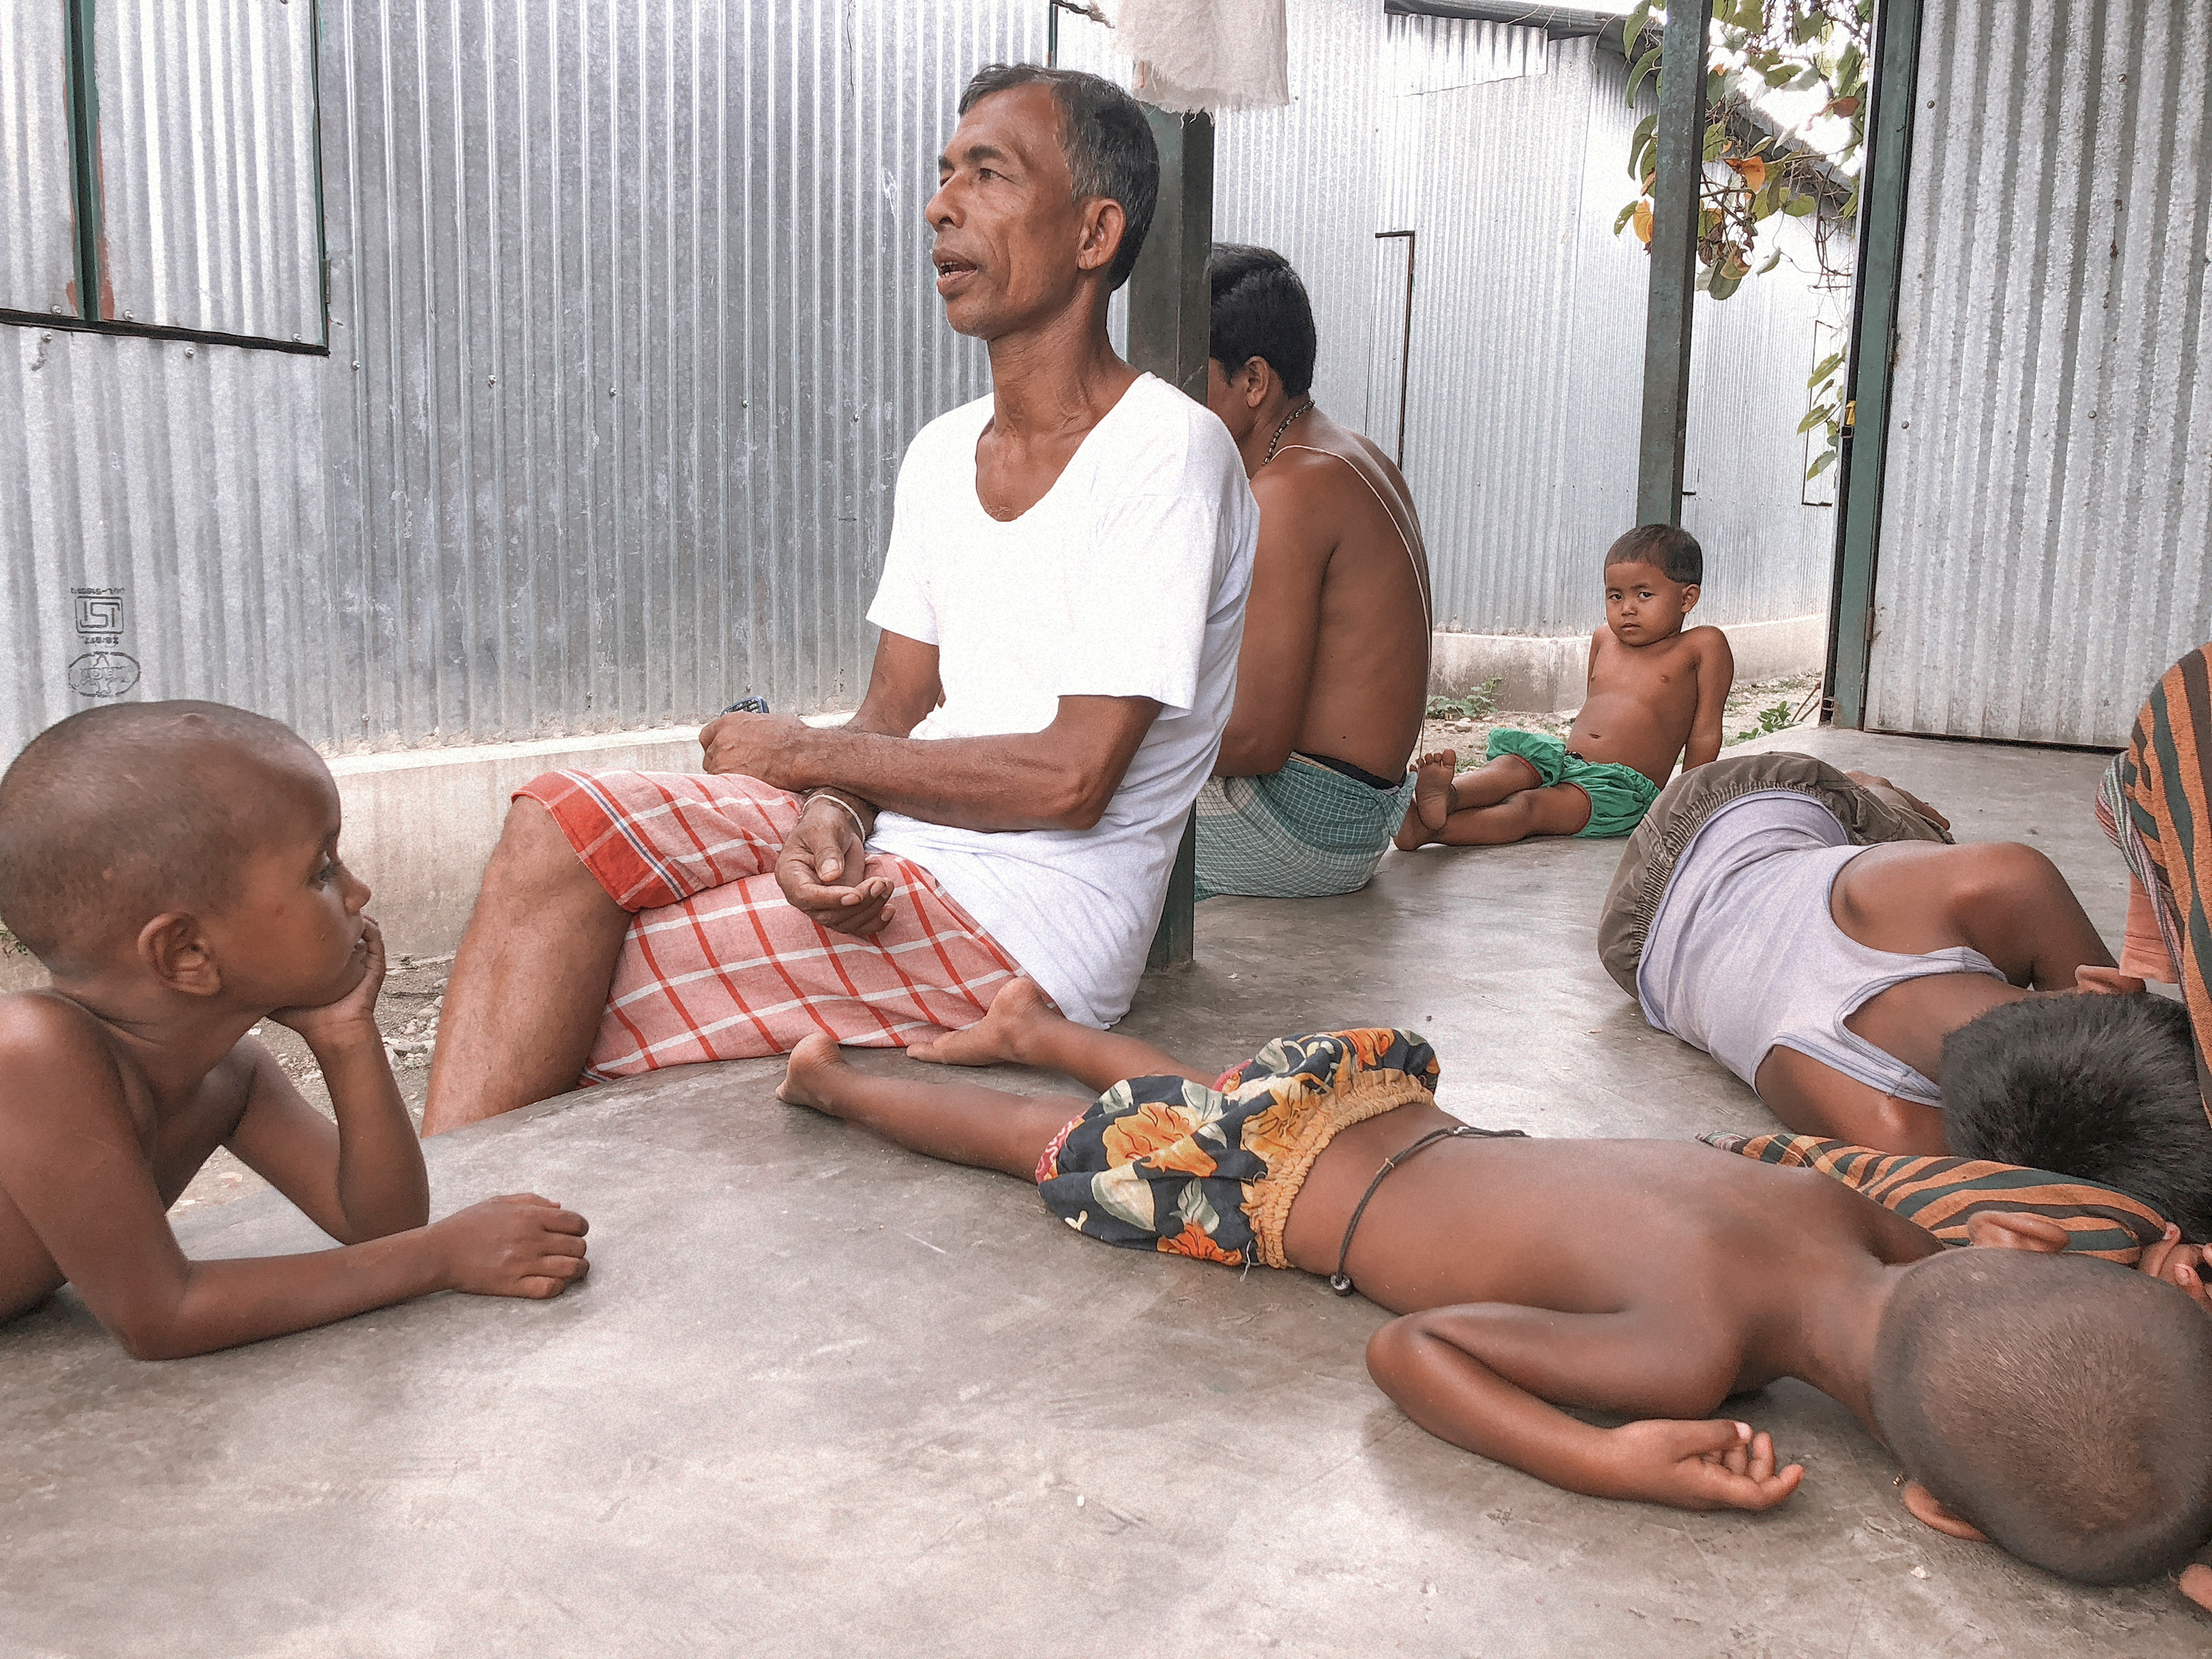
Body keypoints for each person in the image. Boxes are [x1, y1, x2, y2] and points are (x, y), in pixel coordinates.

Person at [421, 65, 1256, 1135]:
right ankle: (442, 1221)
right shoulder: (942, 451)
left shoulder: (1164, 452)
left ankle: (438, 1239)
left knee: (585, 980)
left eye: (989, 174)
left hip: (1031, 926)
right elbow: (892, 715)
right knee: (559, 822)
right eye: (944, 172)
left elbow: (1071, 781)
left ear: (1096, 234)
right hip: (907, 848)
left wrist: (807, 759)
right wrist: (831, 814)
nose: (939, 205)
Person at [778, 979, 2212, 1596]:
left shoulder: (1837, 1202)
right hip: (1293, 1198)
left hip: (1374, 1108)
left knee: (1204, 1096)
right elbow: (1419, 1360)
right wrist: (1611, 1463)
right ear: (1939, 1503)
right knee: (1052, 1150)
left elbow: (2050, 1330)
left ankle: (1047, 1025)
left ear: (2006, 1260)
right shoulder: (1681, 1357)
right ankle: (838, 1082)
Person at [0, 703, 589, 1360]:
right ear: (187, 953)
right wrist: (441, 1257)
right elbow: (163, 1314)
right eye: (322, 870)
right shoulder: (33, 1049)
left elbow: (379, 1223)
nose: (358, 891)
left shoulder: (229, 1075)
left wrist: (346, 1036)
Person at [1596, 752, 2212, 1236]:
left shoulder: (2008, 881)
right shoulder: (1901, 1135)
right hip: (1675, 893)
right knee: (1901, 827)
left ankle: (1876, 798)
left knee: (1913, 849)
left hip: (1701, 855)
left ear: (2104, 984)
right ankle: (1876, 791)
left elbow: (2107, 1053)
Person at [1193, 245, 1433, 900]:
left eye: (1190, 378)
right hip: (1358, 816)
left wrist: (1114, 747)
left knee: (1073, 818)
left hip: (1303, 824)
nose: (1172, 400)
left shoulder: (1288, 489)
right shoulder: (1354, 453)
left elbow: (1255, 740)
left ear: (1254, 381)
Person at [1397, 524, 1733, 848]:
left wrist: (1686, 801)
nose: (1627, 608)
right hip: (1567, 761)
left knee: (1529, 806)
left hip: (1618, 789)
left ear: (1687, 598)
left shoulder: (1702, 645)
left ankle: (1424, 831)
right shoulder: (1604, 638)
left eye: (1644, 595)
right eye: (1615, 595)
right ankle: (1449, 795)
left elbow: (1704, 733)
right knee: (1511, 767)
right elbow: (1594, 708)